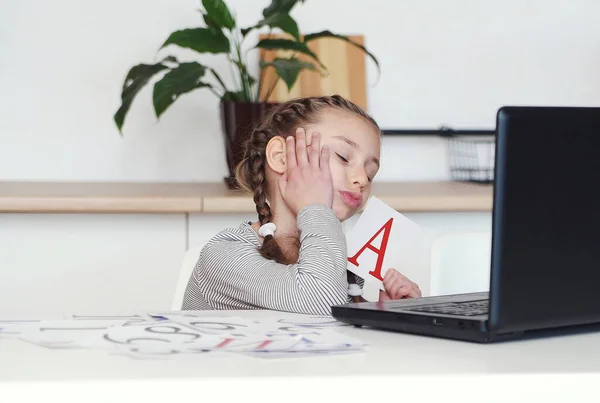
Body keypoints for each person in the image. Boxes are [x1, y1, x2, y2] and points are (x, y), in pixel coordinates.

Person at [182, 95, 421, 316]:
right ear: (281, 156)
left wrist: (381, 311)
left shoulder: (338, 259)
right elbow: (321, 303)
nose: (361, 179)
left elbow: (331, 342)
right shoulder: (225, 256)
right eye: (343, 157)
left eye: (371, 174)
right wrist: (316, 205)